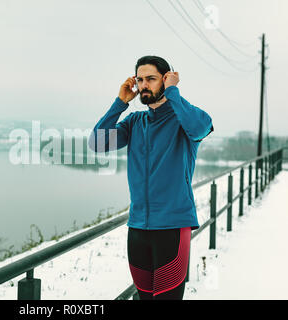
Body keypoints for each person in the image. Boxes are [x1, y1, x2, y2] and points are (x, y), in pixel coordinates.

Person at [88, 55, 213, 300]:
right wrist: (120, 103)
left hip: (172, 227)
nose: (144, 85)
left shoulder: (184, 121)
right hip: (137, 228)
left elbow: (200, 128)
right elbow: (97, 143)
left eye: (151, 79)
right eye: (140, 79)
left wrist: (173, 92)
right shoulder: (135, 122)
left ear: (166, 80)